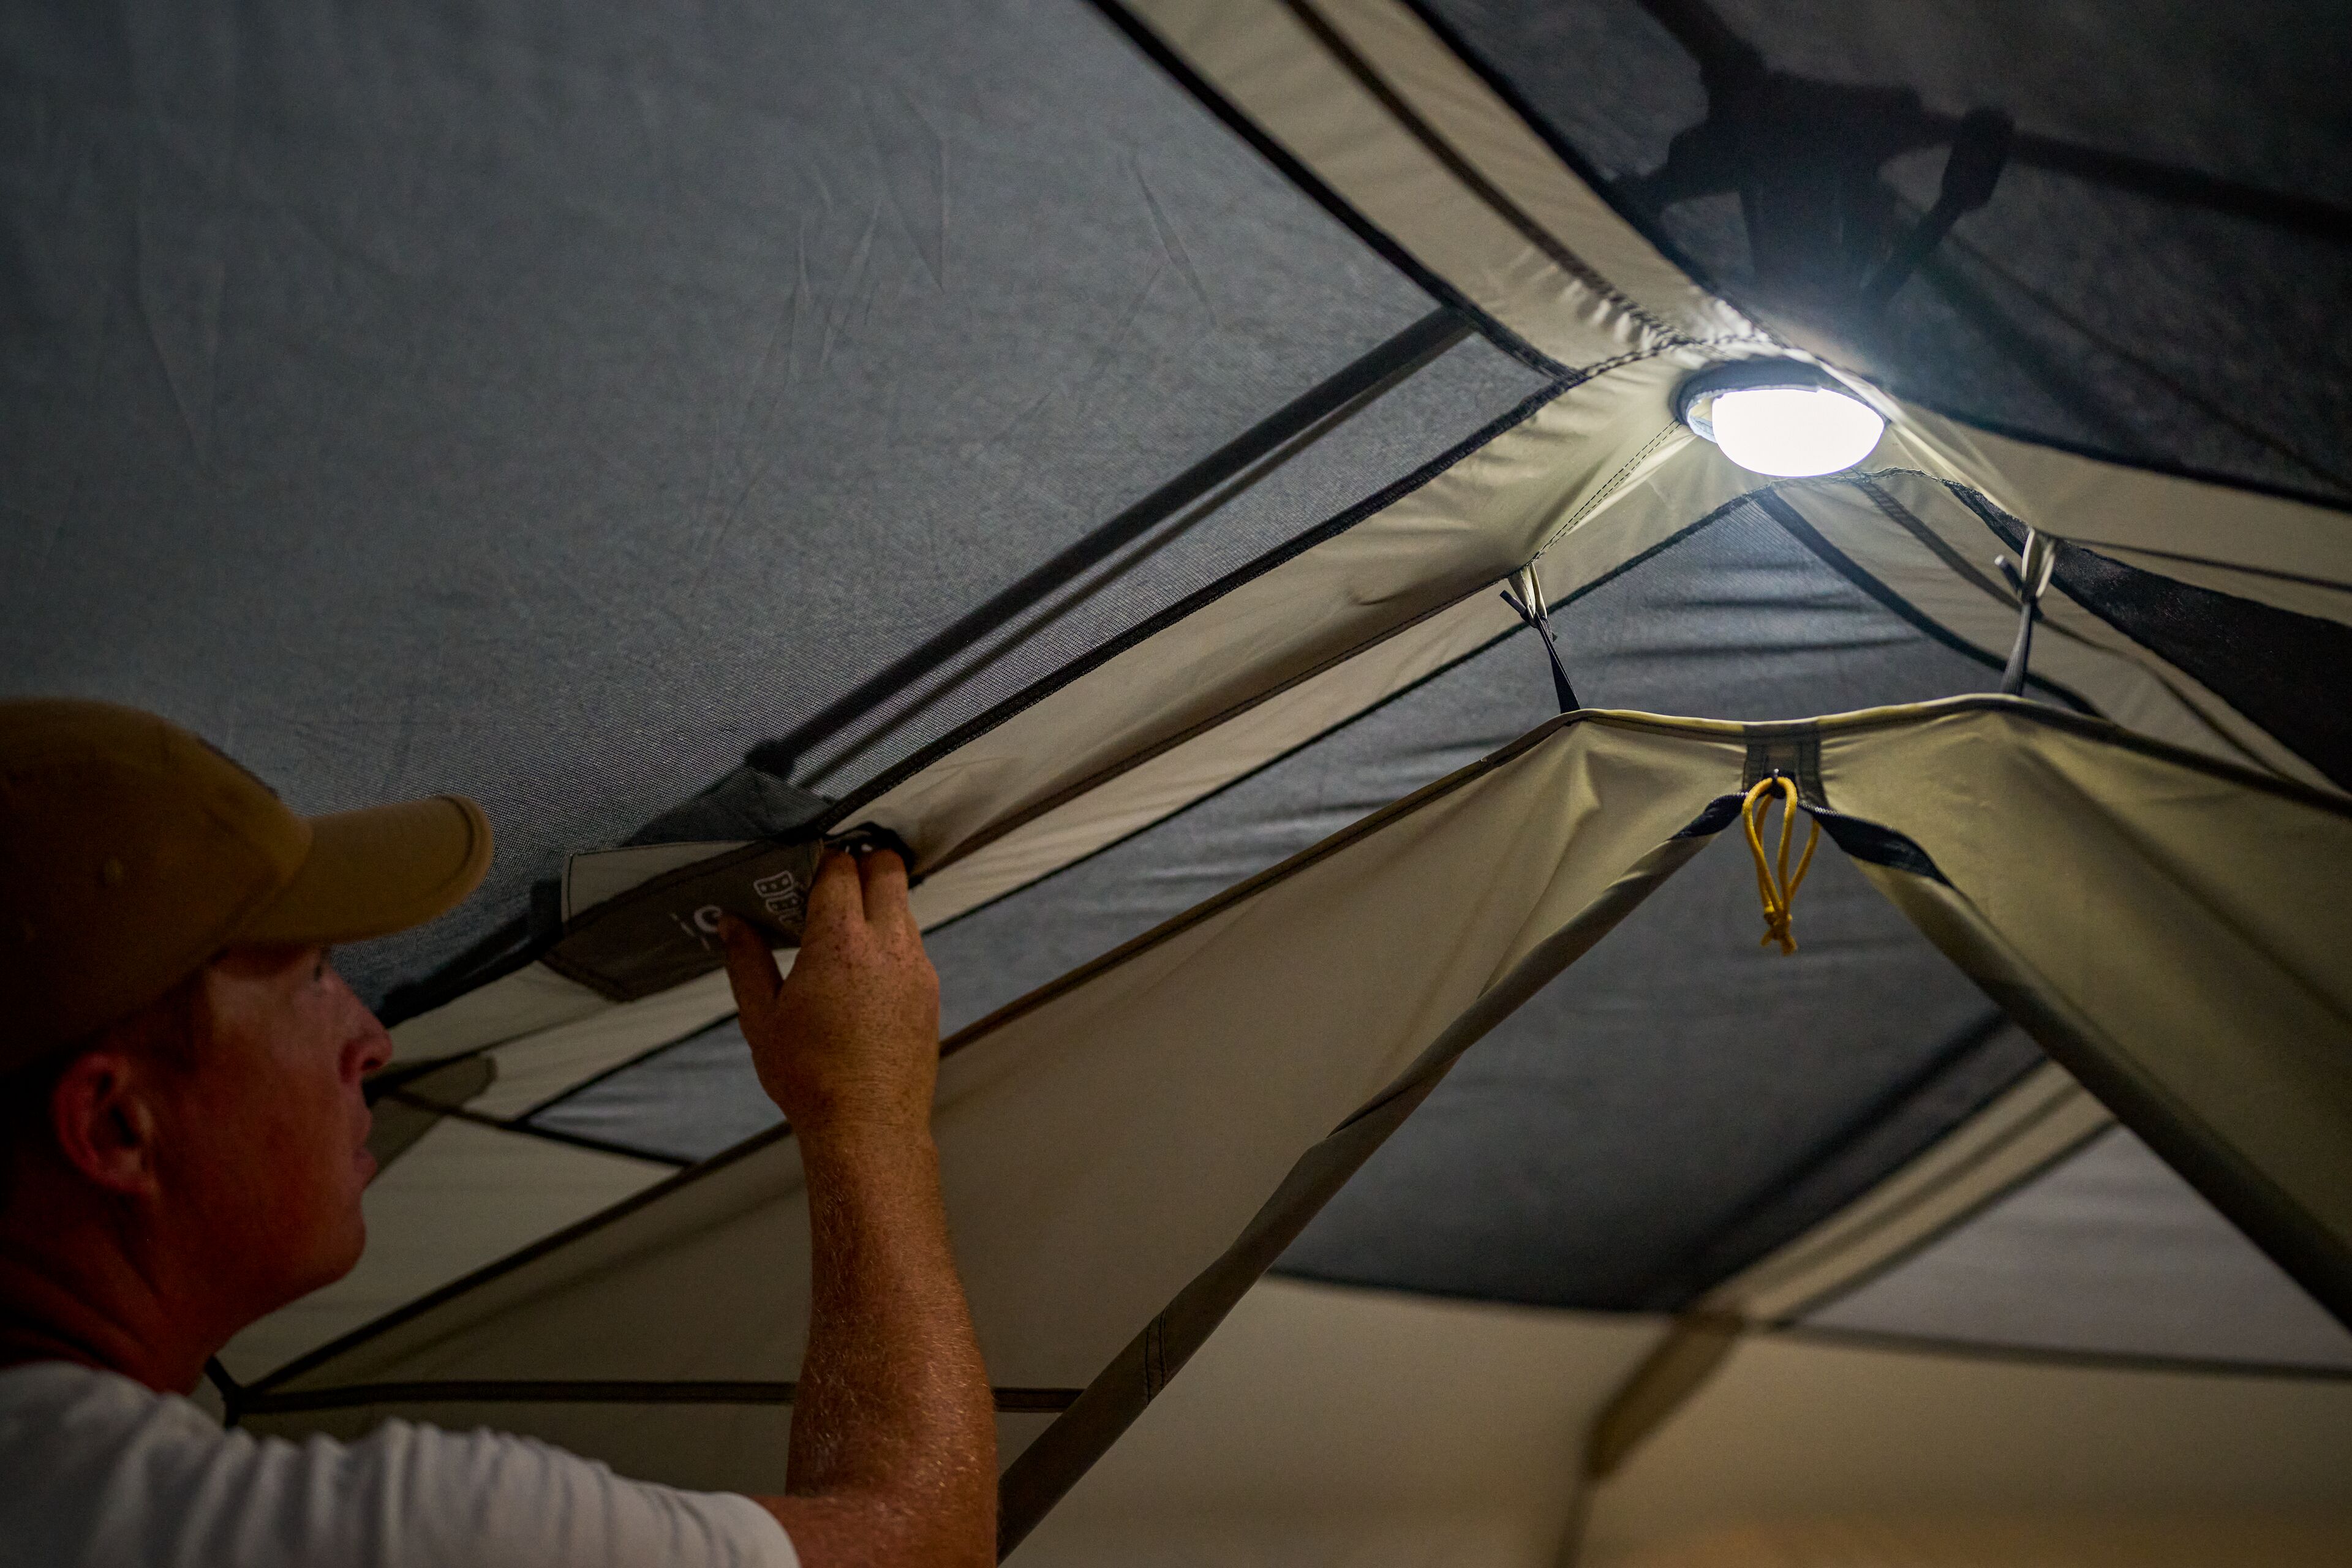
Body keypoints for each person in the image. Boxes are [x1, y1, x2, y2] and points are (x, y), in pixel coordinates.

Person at [0, 698, 997, 1567]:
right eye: (310, 978)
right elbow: (923, 1550)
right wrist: (866, 1121)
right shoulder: (317, 1536)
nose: (374, 1039)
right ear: (116, 1125)